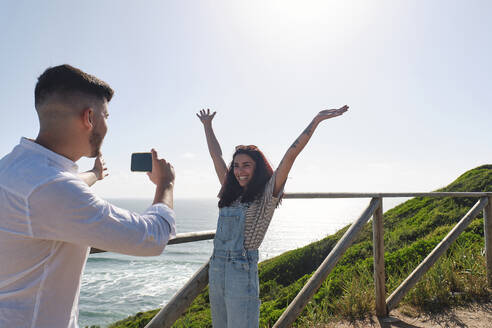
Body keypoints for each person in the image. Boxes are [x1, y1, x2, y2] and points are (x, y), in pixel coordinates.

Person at [0, 64, 176, 328]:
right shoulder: (53, 189)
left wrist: (93, 175)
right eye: (106, 116)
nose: (107, 125)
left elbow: (48, 194)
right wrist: (166, 184)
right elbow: (152, 238)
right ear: (89, 117)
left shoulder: (13, 168)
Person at [196, 106, 348, 327]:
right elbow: (216, 156)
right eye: (236, 166)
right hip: (217, 267)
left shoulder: (267, 195)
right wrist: (208, 126)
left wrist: (315, 121)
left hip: (241, 269)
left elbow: (291, 154)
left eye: (246, 165)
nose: (240, 171)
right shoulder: (231, 191)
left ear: (257, 168)